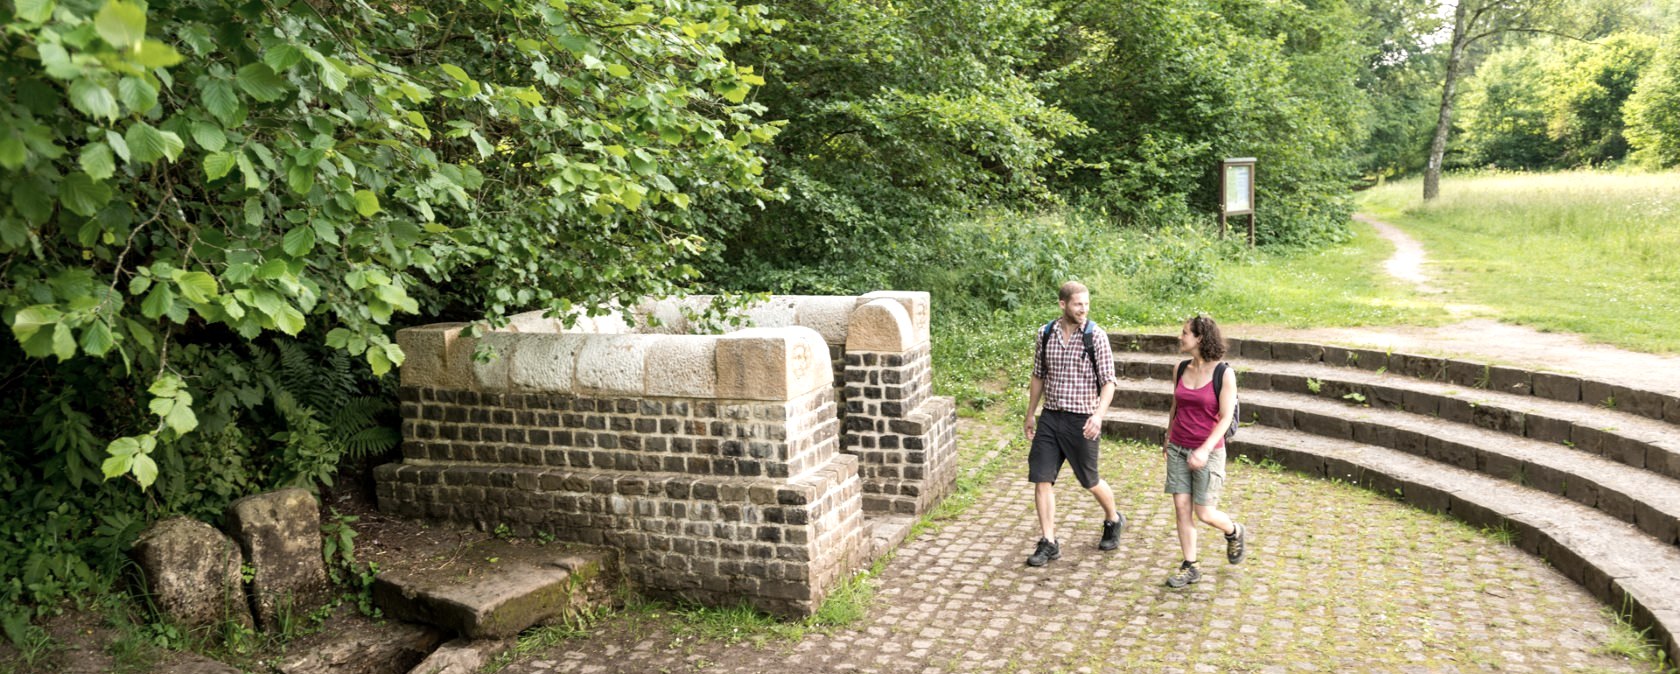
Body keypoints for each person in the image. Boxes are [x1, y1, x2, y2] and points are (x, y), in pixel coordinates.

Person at [1023, 281, 1124, 567]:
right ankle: (1049, 541)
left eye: (1087, 304)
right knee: (1041, 478)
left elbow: (1108, 382)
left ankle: (1113, 519)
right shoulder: (1045, 335)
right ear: (1063, 304)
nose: (1084, 309)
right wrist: (1031, 413)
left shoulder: (1096, 336)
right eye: (1078, 304)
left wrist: (1098, 415)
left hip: (1083, 420)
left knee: (1089, 481)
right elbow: (1038, 375)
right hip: (1051, 417)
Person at [1162, 314, 1247, 587]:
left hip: (1208, 451)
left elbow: (1224, 418)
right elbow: (1176, 406)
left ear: (1199, 338)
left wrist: (1204, 449)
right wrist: (1167, 436)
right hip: (1178, 446)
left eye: (1185, 333)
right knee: (1181, 507)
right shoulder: (1180, 368)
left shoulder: (1224, 373)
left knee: (1204, 512)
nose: (1180, 337)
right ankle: (1191, 565)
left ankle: (1234, 531)